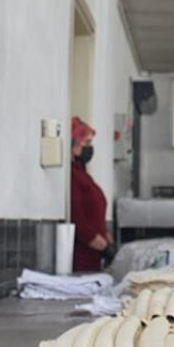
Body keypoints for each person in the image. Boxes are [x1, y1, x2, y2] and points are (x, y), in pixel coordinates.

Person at [70, 116, 116, 272]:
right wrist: (105, 248)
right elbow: (78, 222)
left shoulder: (83, 174)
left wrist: (109, 242)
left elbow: (96, 217)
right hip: (82, 259)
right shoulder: (72, 176)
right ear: (73, 144)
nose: (90, 148)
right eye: (87, 143)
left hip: (95, 257)